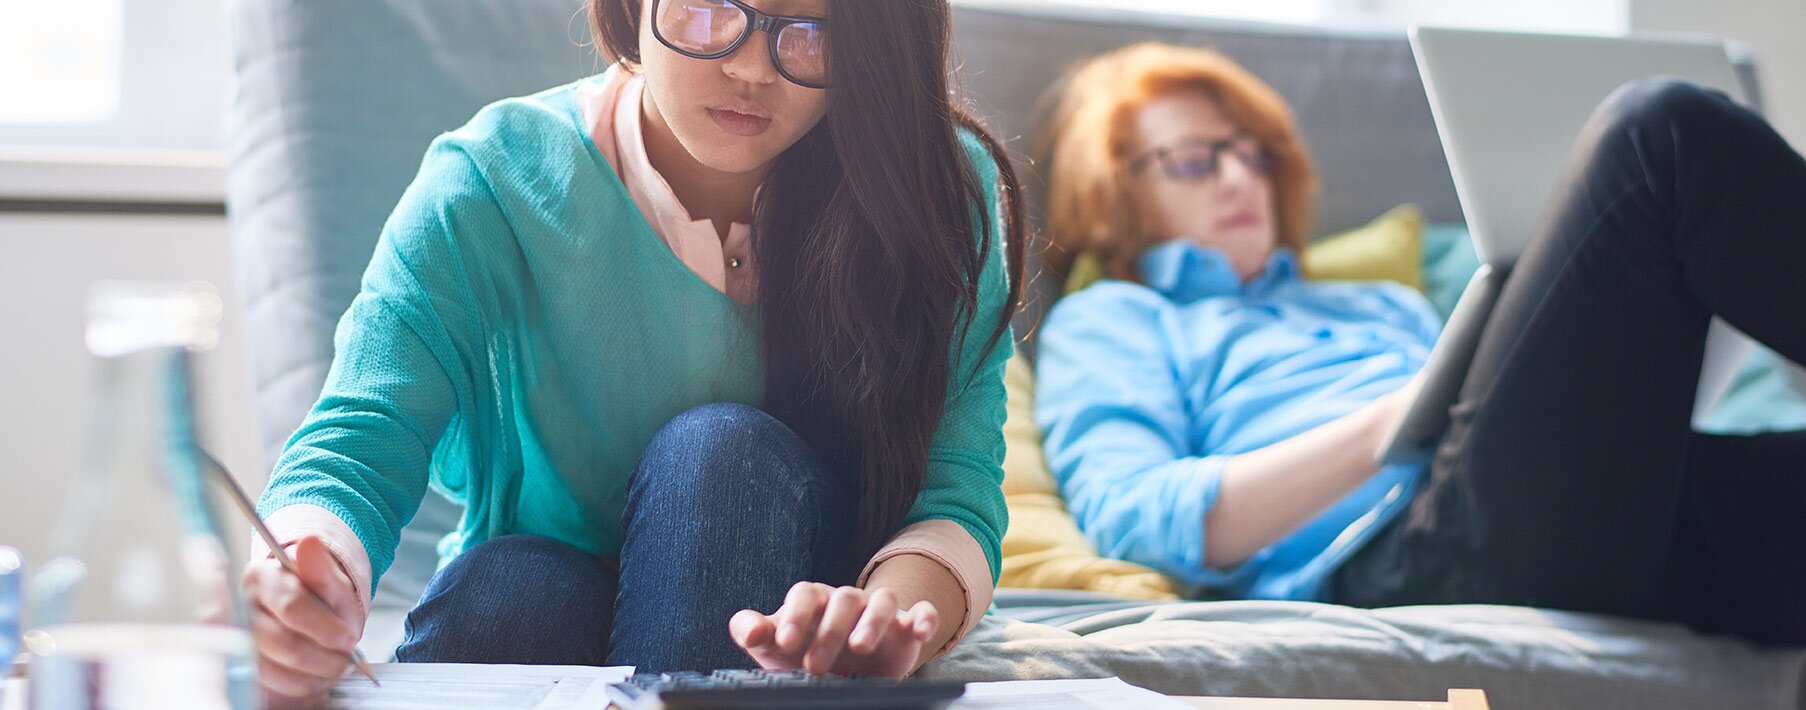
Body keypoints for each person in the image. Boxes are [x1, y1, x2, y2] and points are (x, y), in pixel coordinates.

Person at [240, 0, 1027, 702]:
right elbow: (362, 433)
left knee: (720, 455)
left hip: (796, 625)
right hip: (539, 592)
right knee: (506, 586)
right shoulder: (489, 180)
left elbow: (954, 499)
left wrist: (888, 618)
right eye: (711, 10)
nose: (753, 68)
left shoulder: (936, 195)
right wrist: (309, 568)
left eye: (812, 32)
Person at [1034, 42, 1806, 646]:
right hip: (1405, 553)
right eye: (1196, 160)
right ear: (1112, 190)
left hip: (1601, 510)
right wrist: (1387, 427)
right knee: (1655, 133)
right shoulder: (1116, 316)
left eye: (1251, 151)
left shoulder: (1374, 299)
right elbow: (1134, 511)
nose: (1239, 177)